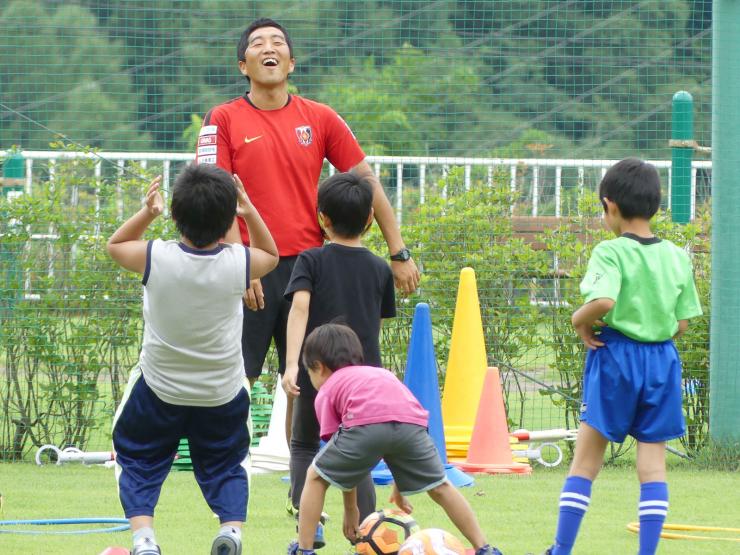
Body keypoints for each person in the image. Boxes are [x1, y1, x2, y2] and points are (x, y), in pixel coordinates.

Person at [196, 17, 419, 399]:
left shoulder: (320, 117)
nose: (269, 48)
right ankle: (229, 460)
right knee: (234, 381)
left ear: (291, 62)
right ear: (242, 66)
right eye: (258, 43)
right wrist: (241, 263)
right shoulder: (222, 118)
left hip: (307, 269)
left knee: (308, 382)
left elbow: (368, 181)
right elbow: (218, 197)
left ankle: (305, 460)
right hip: (247, 265)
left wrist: (398, 253)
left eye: (278, 42)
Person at [107, 164, 279, 555]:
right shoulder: (238, 263)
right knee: (229, 463)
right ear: (226, 221)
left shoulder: (156, 257)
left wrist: (147, 213)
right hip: (221, 392)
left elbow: (115, 245)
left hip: (158, 389)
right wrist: (249, 211)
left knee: (136, 456)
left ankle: (144, 539)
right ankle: (231, 532)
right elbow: (271, 253)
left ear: (174, 215)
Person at [542, 158, 702, 555]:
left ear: (610, 205)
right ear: (656, 206)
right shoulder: (677, 257)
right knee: (652, 469)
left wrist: (580, 321)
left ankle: (561, 550)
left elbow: (603, 300)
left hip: (616, 357)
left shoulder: (610, 252)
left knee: (585, 464)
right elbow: (682, 323)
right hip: (662, 361)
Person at [286, 323, 503, 555]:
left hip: (366, 428)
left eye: (309, 374)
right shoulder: (382, 374)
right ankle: (484, 547)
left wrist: (351, 509)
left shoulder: (328, 389)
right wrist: (401, 484)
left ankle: (304, 549)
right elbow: (395, 426)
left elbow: (348, 459)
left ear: (318, 367)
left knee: (315, 476)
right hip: (414, 425)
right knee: (440, 486)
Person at [281, 172, 396, 547]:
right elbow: (374, 325)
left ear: (322, 218)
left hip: (319, 372)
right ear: (368, 220)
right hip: (365, 377)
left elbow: (299, 309)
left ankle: (309, 529)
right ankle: (365, 531)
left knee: (303, 445)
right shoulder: (380, 268)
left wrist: (293, 364)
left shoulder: (310, 260)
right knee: (358, 450)